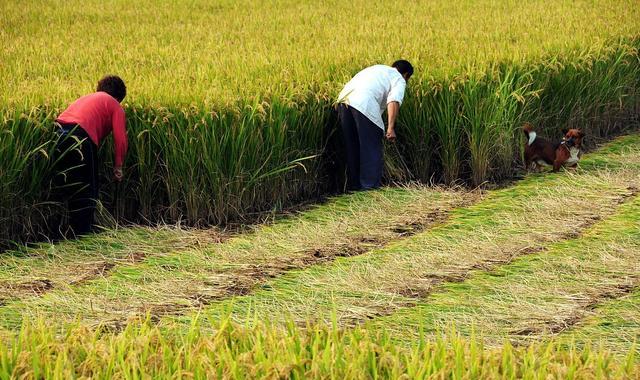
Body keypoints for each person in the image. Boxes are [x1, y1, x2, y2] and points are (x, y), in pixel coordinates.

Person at [52, 75, 128, 237]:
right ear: (118, 97)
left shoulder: (87, 98)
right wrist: (118, 166)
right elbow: (121, 139)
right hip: (81, 137)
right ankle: (82, 235)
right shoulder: (114, 104)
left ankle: (58, 232)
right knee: (88, 189)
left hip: (57, 135)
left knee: (66, 187)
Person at [336, 60, 413, 191]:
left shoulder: (376, 69)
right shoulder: (399, 79)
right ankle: (369, 188)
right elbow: (394, 100)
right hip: (364, 104)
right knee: (371, 147)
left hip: (343, 102)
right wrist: (390, 128)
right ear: (406, 75)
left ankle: (353, 188)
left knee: (352, 147)